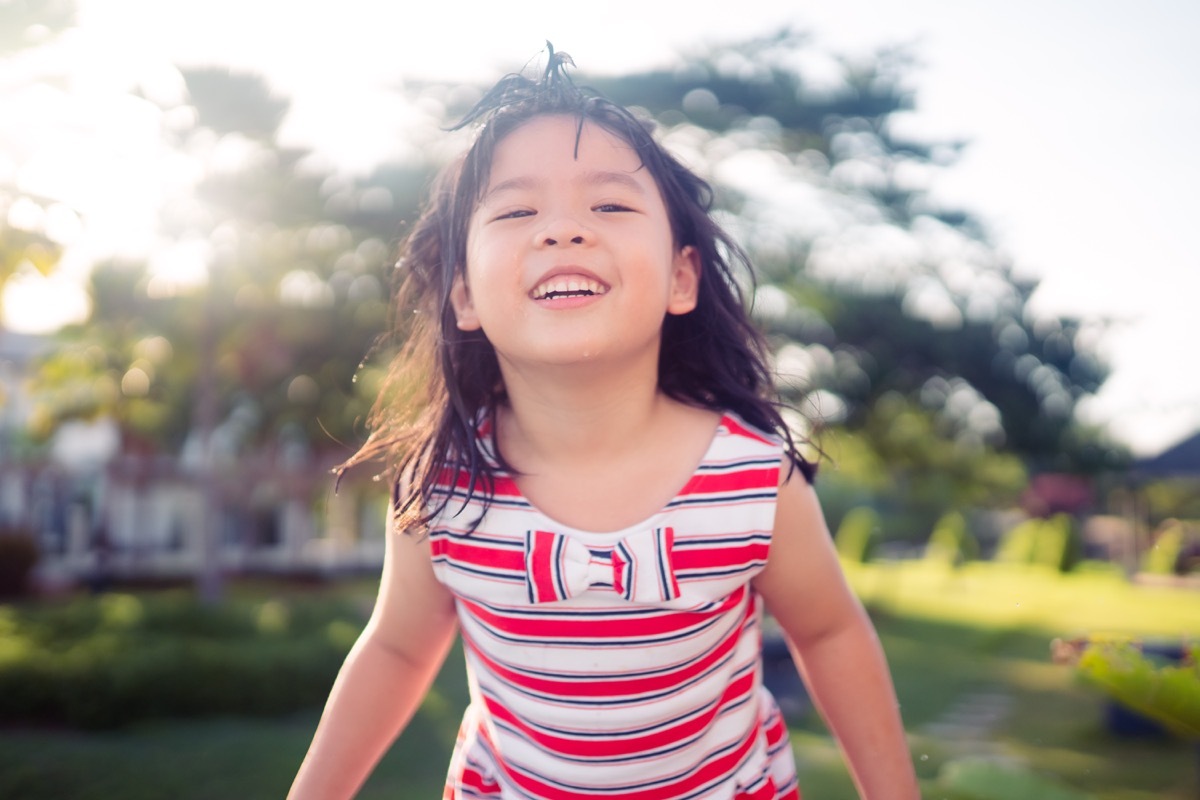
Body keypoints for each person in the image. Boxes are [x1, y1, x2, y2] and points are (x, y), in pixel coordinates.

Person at [289, 47, 920, 800]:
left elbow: (830, 633)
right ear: (463, 296)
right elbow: (394, 649)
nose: (562, 230)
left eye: (611, 206)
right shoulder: (441, 487)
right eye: (517, 210)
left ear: (681, 277)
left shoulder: (753, 480)